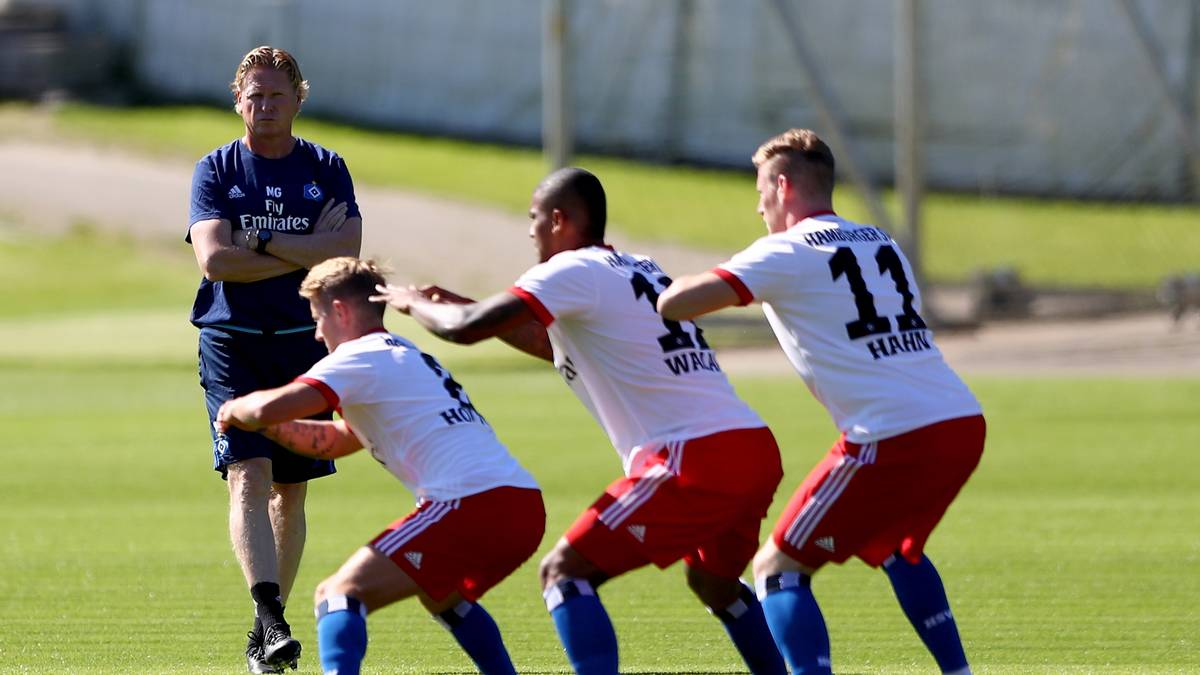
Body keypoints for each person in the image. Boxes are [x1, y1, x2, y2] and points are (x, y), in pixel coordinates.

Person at [371, 168, 788, 674]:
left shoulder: (569, 270)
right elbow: (559, 347)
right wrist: (462, 304)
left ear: (561, 219)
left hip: (693, 455)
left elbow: (464, 332)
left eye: (534, 218)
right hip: (752, 445)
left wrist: (415, 304)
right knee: (716, 583)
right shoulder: (638, 266)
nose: (530, 232)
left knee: (565, 574)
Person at [656, 128, 986, 675]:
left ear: (783, 187)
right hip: (959, 419)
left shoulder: (782, 251)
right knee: (895, 545)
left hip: (890, 432)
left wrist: (695, 277)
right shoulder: (881, 242)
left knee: (777, 568)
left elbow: (676, 305)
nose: (758, 205)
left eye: (761, 190)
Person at [216, 257, 545, 675]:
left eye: (318, 318)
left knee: (337, 595)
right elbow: (334, 440)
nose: (317, 332)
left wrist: (236, 408)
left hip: (470, 505)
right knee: (444, 597)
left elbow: (267, 404)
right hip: (522, 504)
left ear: (340, 311)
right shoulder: (407, 354)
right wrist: (270, 429)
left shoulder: (357, 357)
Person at [187, 45, 362, 673]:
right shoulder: (215, 169)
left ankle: (268, 634)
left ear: (298, 99)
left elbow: (346, 249)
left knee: (290, 491)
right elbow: (214, 260)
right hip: (231, 341)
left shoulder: (326, 166)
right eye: (253, 95)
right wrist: (302, 250)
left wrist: (256, 238)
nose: (264, 106)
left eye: (276, 95)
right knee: (248, 474)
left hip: (302, 341)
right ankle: (270, 618)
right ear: (238, 100)